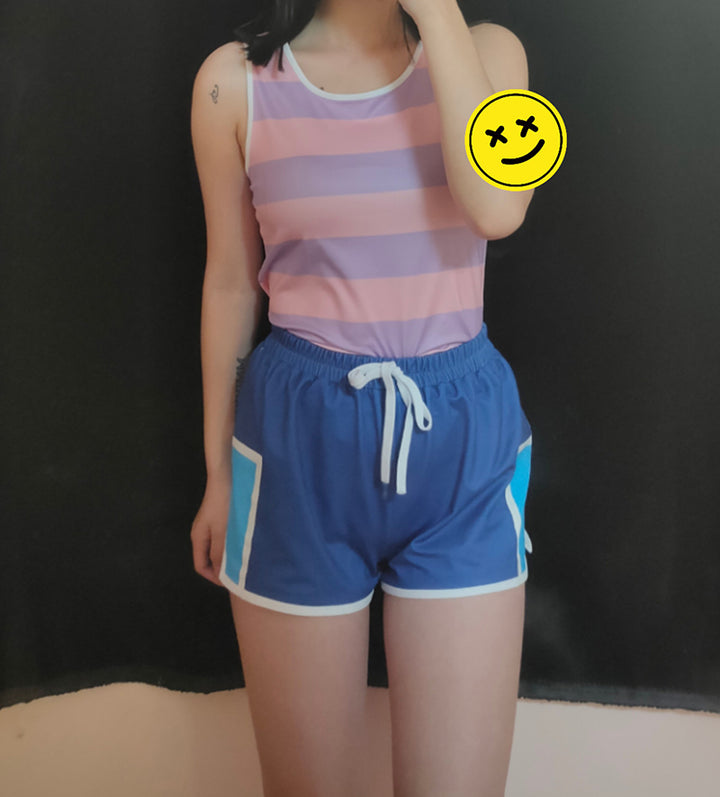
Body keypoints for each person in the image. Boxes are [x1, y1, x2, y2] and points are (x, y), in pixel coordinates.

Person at [190, 2, 535, 795]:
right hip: (296, 444)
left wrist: (437, 16)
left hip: (463, 441)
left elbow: (496, 208)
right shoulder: (234, 83)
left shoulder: (493, 57)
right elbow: (230, 283)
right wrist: (217, 473)